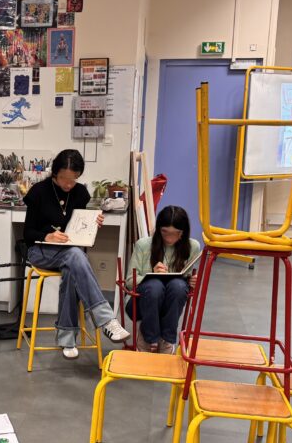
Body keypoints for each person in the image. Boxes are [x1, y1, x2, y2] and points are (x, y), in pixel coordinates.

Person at [23, 149, 130, 358]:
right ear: (55, 172)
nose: (68, 184)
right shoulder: (39, 191)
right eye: (64, 178)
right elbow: (28, 233)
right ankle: (106, 319)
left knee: (73, 265)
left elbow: (77, 228)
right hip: (40, 251)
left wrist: (92, 222)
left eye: (74, 179)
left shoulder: (80, 193)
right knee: (75, 256)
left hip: (69, 254)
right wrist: (47, 236)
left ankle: (66, 338)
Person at [125, 205, 201, 354]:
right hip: (141, 304)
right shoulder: (143, 245)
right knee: (154, 285)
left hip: (171, 303)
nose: (169, 238)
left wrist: (192, 281)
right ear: (159, 229)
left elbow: (186, 279)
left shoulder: (192, 247)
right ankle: (148, 338)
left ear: (183, 232)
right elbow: (129, 282)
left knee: (178, 286)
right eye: (165, 232)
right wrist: (150, 274)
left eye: (175, 233)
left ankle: (167, 338)